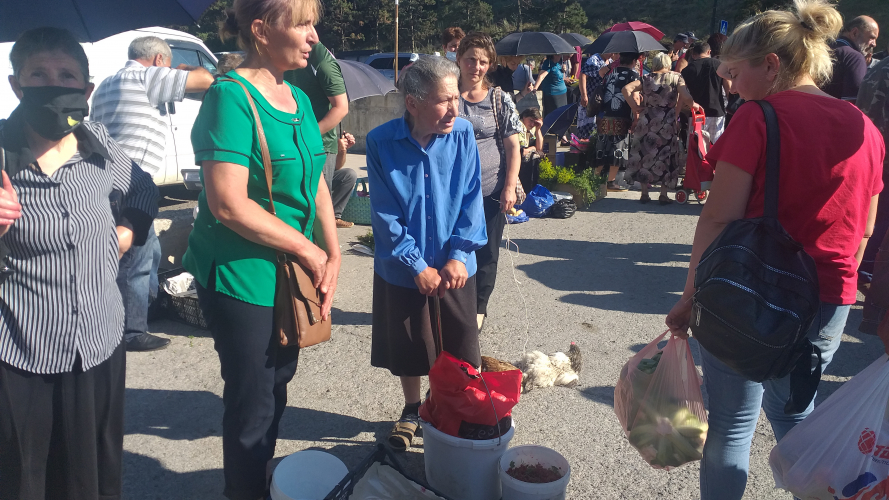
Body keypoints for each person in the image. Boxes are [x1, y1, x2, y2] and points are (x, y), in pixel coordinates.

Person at [665, 2, 885, 498]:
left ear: (771, 65)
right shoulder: (866, 129)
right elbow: (865, 230)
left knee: (732, 425)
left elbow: (718, 218)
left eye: (735, 73)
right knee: (797, 419)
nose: (731, 86)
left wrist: (690, 294)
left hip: (748, 293)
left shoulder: (758, 118)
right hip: (828, 298)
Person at [181, 0, 340, 497]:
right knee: (252, 402)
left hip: (290, 270)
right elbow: (228, 204)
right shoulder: (230, 97)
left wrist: (333, 253)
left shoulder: (298, 97)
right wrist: (309, 252)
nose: (313, 36)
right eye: (303, 23)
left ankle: (258, 476)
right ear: (261, 30)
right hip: (241, 273)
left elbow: (316, 182)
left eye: (313, 24)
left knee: (278, 382)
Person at [0, 27, 159, 499]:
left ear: (86, 90)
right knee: (23, 478)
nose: (53, 84)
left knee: (90, 477)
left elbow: (143, 188)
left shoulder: (98, 144)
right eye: (38, 74)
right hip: (22, 352)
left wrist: (125, 235)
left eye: (66, 75)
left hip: (97, 346)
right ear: (16, 85)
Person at [366, 56, 486, 452]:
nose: (454, 109)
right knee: (411, 345)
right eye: (443, 100)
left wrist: (459, 254)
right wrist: (415, 264)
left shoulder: (462, 133)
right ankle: (413, 408)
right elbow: (385, 214)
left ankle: (449, 405)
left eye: (456, 98)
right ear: (412, 103)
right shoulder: (381, 142)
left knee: (461, 342)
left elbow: (471, 197)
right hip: (404, 268)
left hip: (455, 265)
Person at [90, 37, 214, 352]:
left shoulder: (107, 83)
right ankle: (132, 331)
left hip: (104, 176)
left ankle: (148, 307)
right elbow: (206, 79)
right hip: (130, 179)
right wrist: (183, 69)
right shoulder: (148, 75)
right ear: (159, 60)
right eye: (167, 65)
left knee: (151, 249)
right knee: (137, 257)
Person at [456, 32, 523, 332]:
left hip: (490, 189)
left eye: (483, 62)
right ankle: (454, 304)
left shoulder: (499, 99)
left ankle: (478, 311)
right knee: (453, 249)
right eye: (471, 59)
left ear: (490, 64)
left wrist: (509, 186)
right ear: (459, 59)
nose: (477, 66)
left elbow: (513, 147)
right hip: (451, 194)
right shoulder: (446, 95)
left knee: (487, 253)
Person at [284, 41, 349, 227]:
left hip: (319, 145)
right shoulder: (284, 57)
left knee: (318, 209)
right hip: (290, 140)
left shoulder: (322, 62)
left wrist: (309, 135)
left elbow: (341, 108)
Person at [625, 52, 700, 204]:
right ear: (667, 63)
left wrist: (635, 107)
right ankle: (663, 194)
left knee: (644, 154)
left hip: (646, 120)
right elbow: (685, 96)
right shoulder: (676, 77)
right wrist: (694, 105)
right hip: (667, 120)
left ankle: (644, 194)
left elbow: (626, 89)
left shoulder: (646, 78)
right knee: (666, 156)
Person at [856, 53, 889, 305]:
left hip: (869, 151)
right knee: (879, 221)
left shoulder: (879, 67)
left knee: (875, 218)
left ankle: (863, 269)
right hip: (882, 155)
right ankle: (866, 271)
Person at [597, 52, 643, 192]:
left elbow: (601, 75)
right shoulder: (633, 75)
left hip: (605, 115)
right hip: (622, 115)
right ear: (634, 61)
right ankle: (611, 182)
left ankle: (595, 179)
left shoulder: (611, 73)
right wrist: (636, 117)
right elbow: (635, 97)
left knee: (602, 147)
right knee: (618, 149)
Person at [681, 42, 731, 143]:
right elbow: (728, 87)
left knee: (695, 147)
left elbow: (682, 92)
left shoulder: (687, 70)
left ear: (693, 55)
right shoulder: (719, 65)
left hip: (696, 113)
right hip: (717, 112)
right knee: (715, 146)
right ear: (709, 52)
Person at [823, 15, 879, 101]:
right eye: (872, 38)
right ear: (854, 33)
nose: (874, 44)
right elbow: (853, 102)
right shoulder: (854, 58)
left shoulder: (820, 51)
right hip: (836, 109)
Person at [576, 52, 610, 139]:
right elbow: (583, 75)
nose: (613, 54)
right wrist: (584, 95)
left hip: (602, 100)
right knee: (586, 128)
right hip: (590, 98)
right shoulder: (594, 60)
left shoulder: (610, 60)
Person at [331, 132, 359, 227]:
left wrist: (342, 150)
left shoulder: (331, 137)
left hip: (326, 175)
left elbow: (337, 166)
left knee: (349, 175)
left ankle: (334, 217)